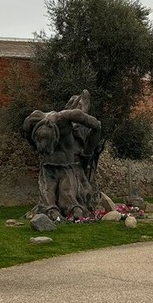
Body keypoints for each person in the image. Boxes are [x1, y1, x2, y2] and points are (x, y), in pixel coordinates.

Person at [22, 90, 101, 219]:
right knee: (49, 200)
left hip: (66, 168)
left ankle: (68, 210)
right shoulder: (34, 118)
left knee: (68, 198)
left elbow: (97, 126)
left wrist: (87, 153)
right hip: (50, 168)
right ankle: (53, 211)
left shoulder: (69, 116)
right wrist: (35, 145)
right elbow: (26, 132)